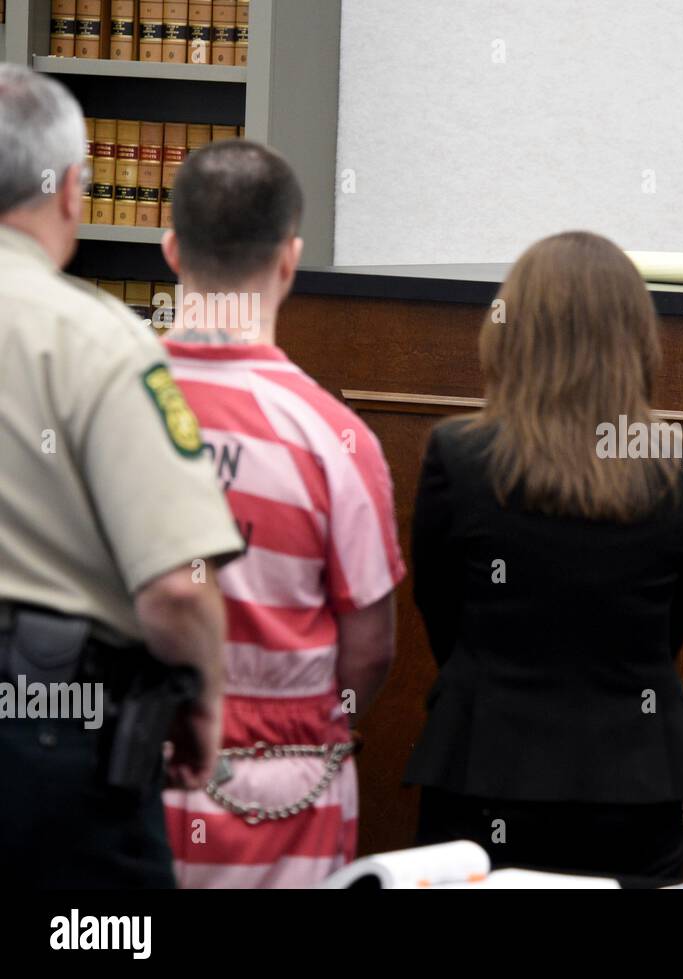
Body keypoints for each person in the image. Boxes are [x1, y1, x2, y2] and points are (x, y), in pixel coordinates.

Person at [404, 231, 683, 881]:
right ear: (636, 336)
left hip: (484, 772)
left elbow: (440, 611)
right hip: (633, 786)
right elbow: (670, 624)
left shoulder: (460, 457)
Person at [0, 65, 244, 887]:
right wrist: (201, 702)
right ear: (70, 189)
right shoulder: (96, 340)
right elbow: (178, 587)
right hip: (42, 738)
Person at [158, 140, 405, 887]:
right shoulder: (336, 440)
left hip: (121, 761)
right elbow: (370, 647)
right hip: (291, 789)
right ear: (290, 259)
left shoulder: (99, 405)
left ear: (171, 250)